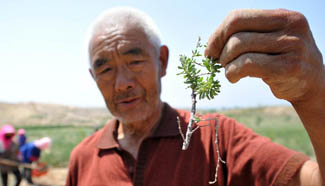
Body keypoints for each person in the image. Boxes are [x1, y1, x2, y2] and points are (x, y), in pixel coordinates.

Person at [66, 7, 325, 186]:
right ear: (93, 77)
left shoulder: (218, 138)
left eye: (134, 61)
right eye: (106, 69)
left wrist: (313, 94)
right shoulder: (83, 158)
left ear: (162, 61)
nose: (122, 84)